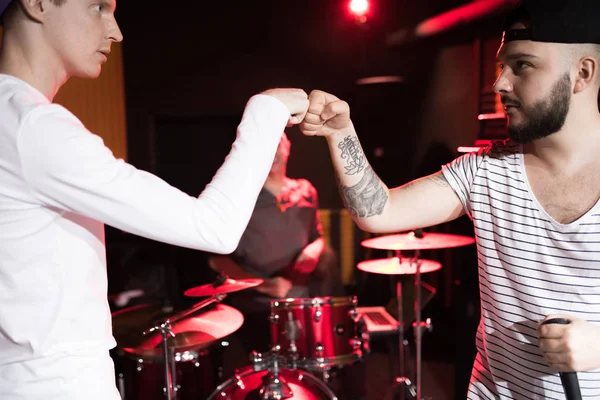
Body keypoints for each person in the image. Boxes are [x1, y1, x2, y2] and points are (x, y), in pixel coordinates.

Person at [0, 0, 310, 399]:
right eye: (98, 7)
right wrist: (267, 111)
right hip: (57, 383)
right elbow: (214, 228)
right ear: (39, 3)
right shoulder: (32, 127)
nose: (116, 31)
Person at [300, 0, 600, 398]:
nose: (500, 85)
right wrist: (341, 134)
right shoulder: (484, 171)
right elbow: (379, 212)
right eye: (500, 67)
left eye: (522, 65)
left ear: (581, 73)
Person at [208, 132, 343, 355]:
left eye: (277, 144)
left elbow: (317, 236)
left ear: (287, 148)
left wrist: (314, 249)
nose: (272, 152)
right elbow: (216, 260)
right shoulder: (241, 198)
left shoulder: (306, 190)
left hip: (302, 299)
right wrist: (263, 285)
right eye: (264, 146)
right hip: (256, 304)